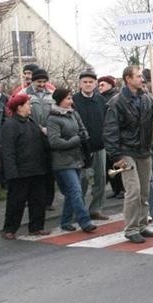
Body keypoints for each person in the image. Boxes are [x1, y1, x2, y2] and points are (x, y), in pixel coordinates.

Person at [103, 65, 153, 243]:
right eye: (138, 76)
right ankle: (131, 228)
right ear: (128, 79)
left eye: (141, 76)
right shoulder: (116, 102)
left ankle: (141, 225)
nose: (142, 79)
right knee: (133, 190)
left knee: (145, 191)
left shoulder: (146, 98)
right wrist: (116, 156)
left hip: (143, 149)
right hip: (126, 150)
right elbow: (110, 131)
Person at [47, 88, 97, 233]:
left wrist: (83, 137)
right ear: (59, 100)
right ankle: (85, 221)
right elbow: (55, 142)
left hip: (77, 159)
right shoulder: (53, 119)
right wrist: (76, 139)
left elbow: (84, 131)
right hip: (62, 162)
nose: (71, 101)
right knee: (75, 190)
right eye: (68, 98)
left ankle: (66, 221)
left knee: (72, 192)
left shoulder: (73, 114)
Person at [0, 94, 50, 239]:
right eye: (28, 104)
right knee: (16, 202)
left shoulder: (32, 122)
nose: (31, 106)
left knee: (38, 200)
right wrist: (11, 172)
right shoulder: (10, 125)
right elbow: (8, 151)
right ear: (20, 107)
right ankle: (9, 229)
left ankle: (36, 227)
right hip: (20, 171)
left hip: (37, 169)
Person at [73, 70, 109, 221]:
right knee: (82, 181)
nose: (88, 85)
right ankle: (79, 211)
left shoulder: (101, 100)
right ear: (80, 84)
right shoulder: (73, 100)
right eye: (85, 82)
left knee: (100, 179)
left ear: (95, 84)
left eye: (91, 82)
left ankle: (96, 209)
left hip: (99, 145)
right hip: (81, 148)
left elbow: (107, 120)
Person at [24, 68, 56, 209]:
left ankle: (48, 201)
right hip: (32, 136)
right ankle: (33, 199)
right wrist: (37, 128)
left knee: (49, 170)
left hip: (49, 135)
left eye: (44, 81)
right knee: (35, 170)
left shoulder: (52, 95)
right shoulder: (24, 94)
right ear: (33, 81)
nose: (42, 84)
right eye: (39, 81)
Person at [98, 75, 124, 199]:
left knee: (117, 163)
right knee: (109, 165)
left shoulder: (115, 97)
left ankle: (123, 188)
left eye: (103, 84)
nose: (100, 87)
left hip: (114, 134)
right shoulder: (99, 98)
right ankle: (116, 188)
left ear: (111, 85)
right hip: (104, 135)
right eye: (99, 85)